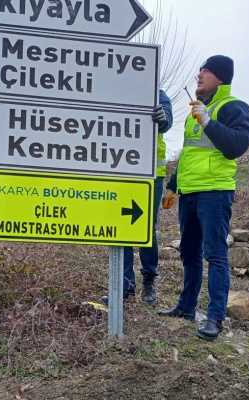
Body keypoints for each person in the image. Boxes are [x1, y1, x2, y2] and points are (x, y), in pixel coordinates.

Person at [159, 55, 249, 341]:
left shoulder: (233, 107)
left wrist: (209, 121)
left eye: (207, 71)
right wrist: (173, 186)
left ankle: (214, 318)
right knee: (188, 252)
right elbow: (189, 154)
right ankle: (186, 307)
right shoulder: (194, 113)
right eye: (200, 69)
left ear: (221, 78)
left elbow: (236, 146)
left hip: (214, 192)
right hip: (189, 193)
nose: (199, 74)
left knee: (215, 254)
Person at [102, 90, 173, 305]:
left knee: (146, 230)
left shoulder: (158, 95)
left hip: (151, 176)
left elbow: (166, 122)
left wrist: (162, 118)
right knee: (122, 228)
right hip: (122, 172)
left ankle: (149, 283)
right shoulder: (120, 90)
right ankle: (125, 286)